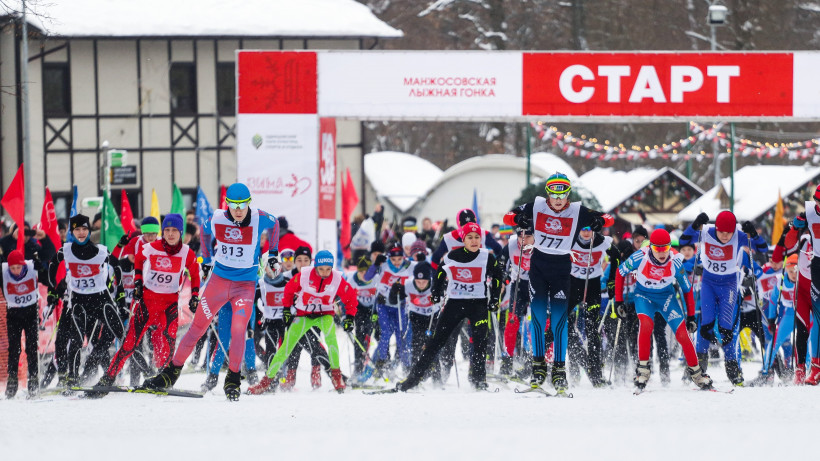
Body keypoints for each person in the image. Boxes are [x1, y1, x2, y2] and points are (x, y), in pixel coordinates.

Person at [140, 183, 279, 401]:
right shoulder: (217, 218)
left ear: (249, 203)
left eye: (243, 205)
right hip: (218, 283)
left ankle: (233, 379)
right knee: (197, 329)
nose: (239, 210)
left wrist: (273, 253)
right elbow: (204, 233)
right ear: (228, 205)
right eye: (234, 206)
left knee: (239, 329)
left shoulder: (260, 217)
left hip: (245, 286)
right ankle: (169, 375)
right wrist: (205, 259)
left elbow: (276, 224)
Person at [503, 172, 613, 393]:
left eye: (562, 194)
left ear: (568, 194)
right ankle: (538, 367)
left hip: (562, 267)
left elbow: (608, 218)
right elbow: (507, 216)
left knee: (560, 321)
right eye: (554, 194)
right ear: (548, 194)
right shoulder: (536, 205)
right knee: (538, 317)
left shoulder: (577, 210)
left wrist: (598, 221)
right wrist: (519, 219)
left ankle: (559, 371)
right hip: (539, 266)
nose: (558, 199)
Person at [86, 214, 200, 398]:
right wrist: (138, 282)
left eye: (174, 231)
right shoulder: (150, 248)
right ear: (163, 232)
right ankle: (107, 379)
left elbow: (195, 274)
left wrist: (195, 295)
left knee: (167, 343)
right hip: (147, 304)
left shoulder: (187, 252)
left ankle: (165, 378)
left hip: (169, 306)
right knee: (129, 345)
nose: (170, 234)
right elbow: (138, 260)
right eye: (167, 231)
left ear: (181, 232)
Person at [394, 222, 503, 392]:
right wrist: (436, 292)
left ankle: (478, 379)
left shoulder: (486, 257)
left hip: (478, 304)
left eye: (477, 238)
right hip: (455, 303)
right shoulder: (452, 256)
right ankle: (413, 379)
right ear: (463, 239)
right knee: (436, 342)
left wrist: (495, 298)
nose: (474, 241)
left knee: (481, 341)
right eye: (470, 238)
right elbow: (439, 273)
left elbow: (498, 277)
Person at [614, 229, 713, 391]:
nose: (661, 253)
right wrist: (618, 301)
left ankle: (697, 373)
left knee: (682, 334)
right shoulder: (641, 256)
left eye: (665, 249)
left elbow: (686, 289)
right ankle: (643, 370)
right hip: (644, 296)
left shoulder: (675, 261)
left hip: (666, 297)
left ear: (669, 247)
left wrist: (691, 317)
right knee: (646, 325)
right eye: (657, 249)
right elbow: (620, 272)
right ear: (651, 247)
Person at [248, 250, 357, 394]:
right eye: (321, 269)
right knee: (286, 348)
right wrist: (287, 309)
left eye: (328, 269)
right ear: (315, 266)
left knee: (331, 341)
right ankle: (266, 381)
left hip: (324, 315)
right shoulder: (304, 276)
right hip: (304, 315)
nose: (325, 273)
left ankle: (336, 377)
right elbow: (289, 289)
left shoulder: (337, 278)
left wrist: (350, 316)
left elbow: (350, 297)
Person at [680, 210, 768, 386]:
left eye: (729, 232)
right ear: (716, 228)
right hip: (708, 284)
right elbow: (684, 240)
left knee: (726, 330)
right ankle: (699, 368)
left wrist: (754, 233)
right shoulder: (706, 232)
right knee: (705, 326)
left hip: (728, 286)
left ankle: (732, 369)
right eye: (722, 232)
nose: (726, 236)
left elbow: (763, 248)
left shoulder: (738, 236)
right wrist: (696, 224)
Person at [44, 214, 123, 390]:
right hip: (79, 301)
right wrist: (53, 290)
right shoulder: (65, 250)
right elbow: (52, 265)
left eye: (84, 229)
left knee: (121, 333)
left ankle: (123, 375)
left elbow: (117, 266)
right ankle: (72, 379)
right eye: (77, 229)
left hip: (101, 299)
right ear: (72, 231)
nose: (81, 233)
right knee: (77, 340)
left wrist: (121, 295)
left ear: (89, 230)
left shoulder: (100, 250)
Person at [566, 225, 618, 387]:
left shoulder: (602, 241)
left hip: (593, 285)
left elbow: (616, 256)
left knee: (592, 329)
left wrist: (611, 281)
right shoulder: (571, 240)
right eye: (583, 229)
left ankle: (596, 374)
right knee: (561, 324)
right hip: (573, 284)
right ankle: (578, 360)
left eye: (589, 229)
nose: (586, 232)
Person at [365, 242, 415, 375]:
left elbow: (425, 273)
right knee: (385, 334)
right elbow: (367, 277)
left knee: (401, 337)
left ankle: (406, 367)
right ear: (389, 258)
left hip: (400, 307)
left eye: (399, 259)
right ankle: (381, 363)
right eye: (394, 259)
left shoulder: (408, 265)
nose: (397, 262)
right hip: (384, 306)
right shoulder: (384, 265)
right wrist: (375, 264)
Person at [390, 261, 443, 385]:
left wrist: (440, 292)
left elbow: (444, 295)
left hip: (432, 317)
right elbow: (394, 301)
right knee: (417, 345)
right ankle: (415, 376)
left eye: (424, 282)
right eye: (418, 282)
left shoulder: (435, 283)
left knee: (431, 345)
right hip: (416, 317)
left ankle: (436, 376)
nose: (421, 285)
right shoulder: (408, 284)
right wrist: (394, 291)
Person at [2, 250, 41, 398]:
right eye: (13, 268)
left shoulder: (31, 267)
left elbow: (46, 265)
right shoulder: (3, 272)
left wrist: (41, 266)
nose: (16, 271)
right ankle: (12, 381)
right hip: (13, 315)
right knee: (14, 349)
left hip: (31, 313)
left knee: (31, 347)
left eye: (19, 267)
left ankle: (33, 379)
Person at [755, 254, 798, 385]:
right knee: (774, 341)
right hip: (790, 315)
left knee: (807, 342)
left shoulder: (807, 278)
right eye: (790, 271)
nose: (793, 275)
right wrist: (771, 319)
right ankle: (766, 372)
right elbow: (773, 301)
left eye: (796, 272)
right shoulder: (780, 280)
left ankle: (805, 370)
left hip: (807, 315)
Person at [431, 208, 502, 267]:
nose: (468, 229)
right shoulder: (449, 238)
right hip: (457, 280)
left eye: (471, 225)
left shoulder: (484, 234)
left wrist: (497, 268)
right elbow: (435, 259)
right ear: (459, 225)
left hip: (479, 279)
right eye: (465, 226)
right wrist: (437, 278)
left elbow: (499, 250)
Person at [348, 256, 379, 378]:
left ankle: (379, 364)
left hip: (374, 309)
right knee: (360, 336)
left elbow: (381, 295)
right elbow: (347, 298)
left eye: (366, 272)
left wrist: (376, 313)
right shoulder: (352, 279)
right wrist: (346, 315)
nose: (364, 275)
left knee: (375, 335)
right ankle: (358, 366)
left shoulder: (376, 278)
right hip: (360, 308)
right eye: (361, 271)